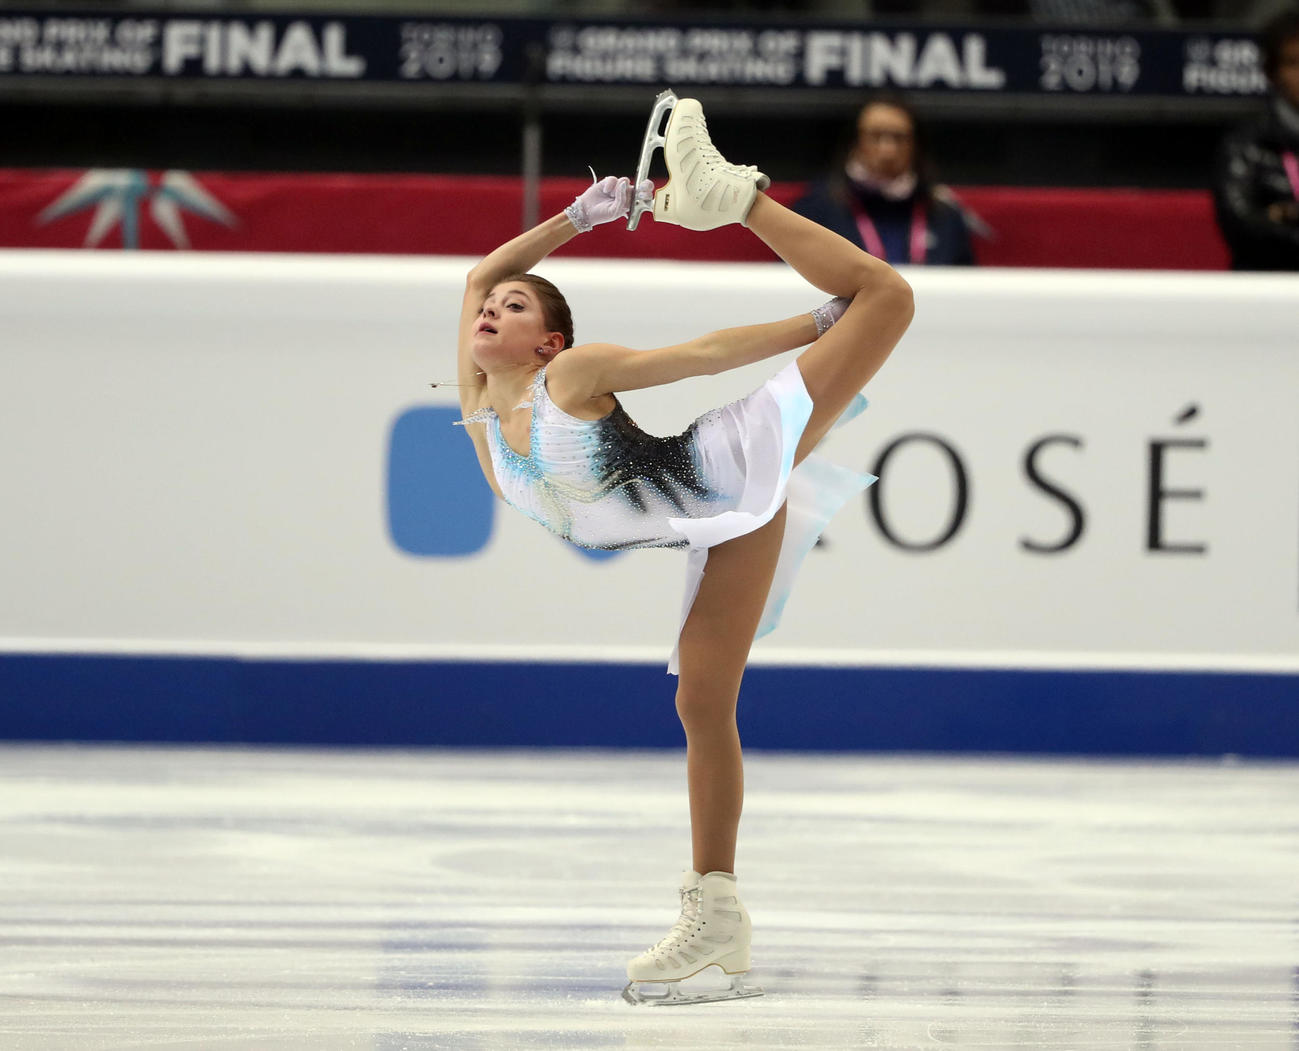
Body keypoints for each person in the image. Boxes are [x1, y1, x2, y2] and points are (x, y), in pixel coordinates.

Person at [452, 95, 913, 1005]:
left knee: (887, 297)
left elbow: (701, 355)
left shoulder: (567, 377)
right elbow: (479, 272)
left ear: (548, 341)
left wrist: (817, 326)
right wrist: (573, 218)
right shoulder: (479, 419)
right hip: (714, 525)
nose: (490, 308)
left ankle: (738, 199)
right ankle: (718, 919)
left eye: (514, 307)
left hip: (722, 464)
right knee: (702, 703)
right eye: (491, 309)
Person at [793, 92, 975, 266]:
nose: (888, 150)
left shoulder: (945, 215)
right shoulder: (817, 210)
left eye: (899, 137)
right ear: (855, 142)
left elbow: (967, 282)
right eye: (875, 136)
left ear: (915, 145)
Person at [1213, 7, 1299, 271]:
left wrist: (1281, 213)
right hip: (1268, 282)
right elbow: (1243, 227)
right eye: (1294, 63)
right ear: (1272, 73)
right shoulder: (1246, 144)